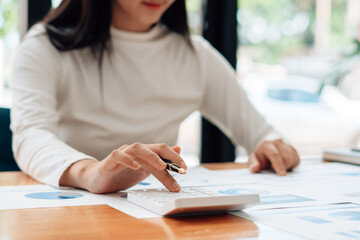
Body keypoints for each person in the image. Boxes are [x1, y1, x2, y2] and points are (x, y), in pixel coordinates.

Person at [11, 0, 300, 194]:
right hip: (71, 211)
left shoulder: (194, 54)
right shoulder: (45, 47)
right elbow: (30, 135)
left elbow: (260, 134)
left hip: (159, 215)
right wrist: (91, 173)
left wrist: (271, 148)